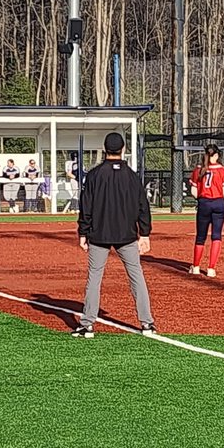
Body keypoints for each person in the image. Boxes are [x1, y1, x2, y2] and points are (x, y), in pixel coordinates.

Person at [73, 131, 155, 338]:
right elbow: (143, 207)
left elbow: (86, 207)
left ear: (104, 149)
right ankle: (147, 324)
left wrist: (83, 231)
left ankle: (87, 324)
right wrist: (144, 233)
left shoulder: (94, 175)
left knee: (95, 277)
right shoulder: (132, 176)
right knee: (136, 276)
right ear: (123, 150)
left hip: (99, 234)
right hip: (126, 234)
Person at [189, 144, 224, 278]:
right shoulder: (222, 170)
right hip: (219, 204)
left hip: (204, 204)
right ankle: (211, 269)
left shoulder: (199, 169)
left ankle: (196, 267)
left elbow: (194, 191)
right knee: (216, 236)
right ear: (216, 155)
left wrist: (202, 197)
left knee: (201, 237)